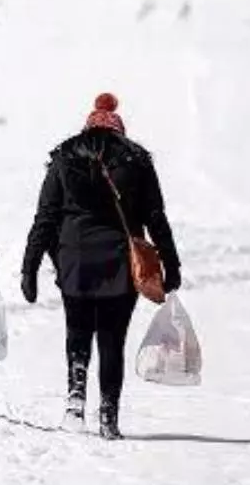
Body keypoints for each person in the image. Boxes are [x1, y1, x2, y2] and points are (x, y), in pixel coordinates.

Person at [19, 93, 182, 440]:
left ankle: (75, 401)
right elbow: (155, 217)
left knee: (77, 331)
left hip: (74, 261)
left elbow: (45, 217)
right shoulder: (137, 160)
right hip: (120, 263)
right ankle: (109, 415)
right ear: (119, 129)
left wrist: (29, 267)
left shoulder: (64, 158)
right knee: (112, 339)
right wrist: (171, 264)